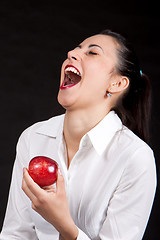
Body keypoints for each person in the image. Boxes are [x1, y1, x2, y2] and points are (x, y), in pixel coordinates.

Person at [0, 29, 157, 240]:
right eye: (76, 49)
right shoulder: (33, 138)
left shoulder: (136, 158)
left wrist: (64, 225)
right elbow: (15, 234)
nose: (71, 54)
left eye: (93, 53)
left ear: (117, 83)